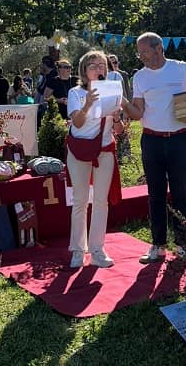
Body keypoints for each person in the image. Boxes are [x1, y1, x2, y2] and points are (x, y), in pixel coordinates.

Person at [121, 32, 186, 264]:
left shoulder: (181, 69)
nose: (142, 57)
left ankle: (182, 246)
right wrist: (123, 103)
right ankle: (158, 246)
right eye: (139, 54)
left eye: (145, 52)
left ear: (159, 48)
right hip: (151, 141)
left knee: (180, 194)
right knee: (155, 195)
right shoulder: (139, 77)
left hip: (179, 140)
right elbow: (138, 114)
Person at [65, 50, 125, 269]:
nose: (99, 69)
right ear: (84, 70)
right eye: (93, 66)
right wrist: (88, 103)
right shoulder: (75, 92)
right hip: (79, 150)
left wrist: (117, 117)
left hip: (104, 150)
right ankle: (77, 250)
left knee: (101, 201)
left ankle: (97, 250)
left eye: (102, 66)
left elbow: (118, 130)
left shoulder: (112, 91)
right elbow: (78, 123)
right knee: (80, 200)